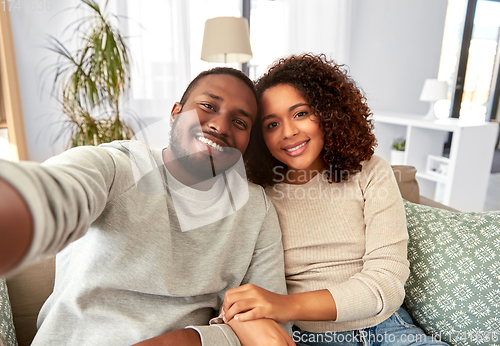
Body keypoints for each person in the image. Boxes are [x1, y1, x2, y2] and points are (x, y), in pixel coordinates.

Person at [0, 67, 294, 346]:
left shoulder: (255, 208)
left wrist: (187, 341)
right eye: (207, 106)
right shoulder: (121, 166)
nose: (219, 126)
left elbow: (271, 326)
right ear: (175, 113)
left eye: (240, 122)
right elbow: (57, 190)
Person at [221, 54, 448, 346]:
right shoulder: (256, 194)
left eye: (300, 114)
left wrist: (282, 305)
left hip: (389, 328)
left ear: (328, 113)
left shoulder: (370, 171)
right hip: (307, 337)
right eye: (272, 124)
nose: (288, 132)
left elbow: (387, 283)